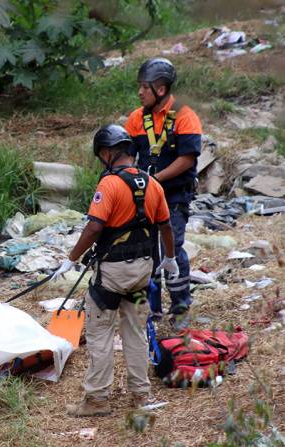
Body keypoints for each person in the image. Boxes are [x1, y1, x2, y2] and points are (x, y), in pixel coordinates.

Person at [53, 125, 178, 416]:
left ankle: (97, 400)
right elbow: (166, 227)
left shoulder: (108, 185)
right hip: (142, 273)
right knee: (135, 332)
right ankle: (140, 397)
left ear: (108, 153)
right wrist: (170, 257)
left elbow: (95, 227)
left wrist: (71, 259)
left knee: (100, 333)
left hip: (111, 275)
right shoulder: (153, 184)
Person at [125, 58, 202, 330]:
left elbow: (188, 158)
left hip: (174, 195)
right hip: (145, 195)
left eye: (144, 87)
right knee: (147, 250)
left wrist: (155, 179)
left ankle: (180, 308)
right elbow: (127, 156)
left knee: (172, 247)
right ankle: (152, 309)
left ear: (160, 89)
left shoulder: (184, 115)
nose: (139, 92)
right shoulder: (137, 118)